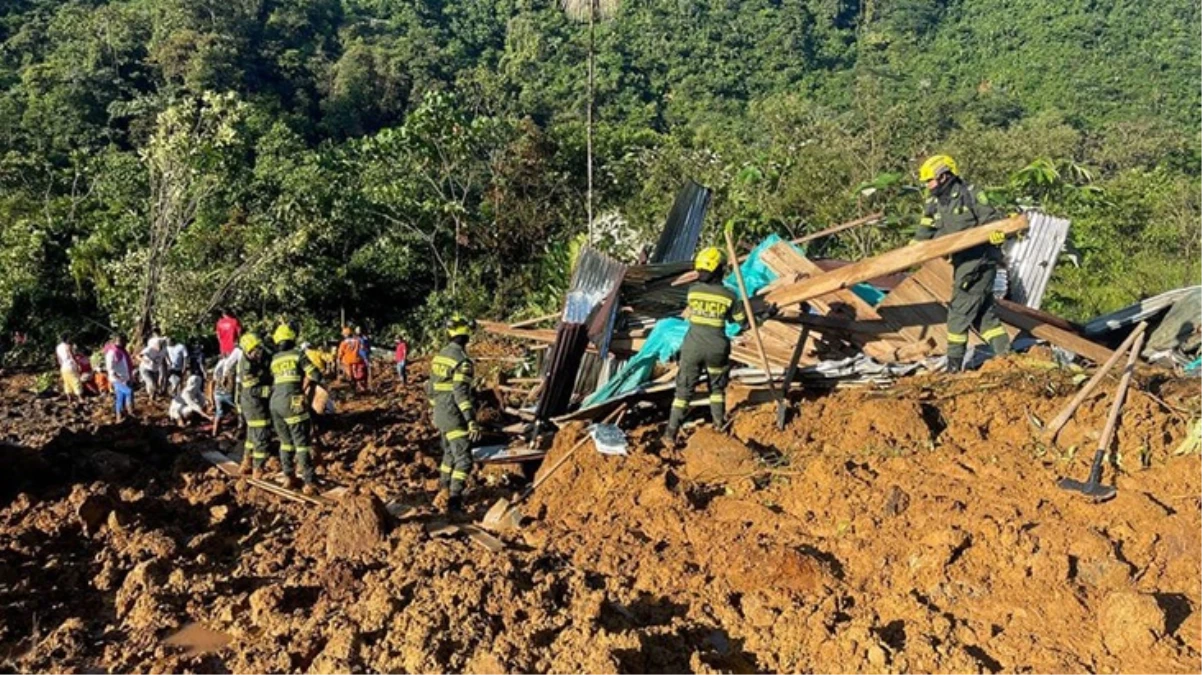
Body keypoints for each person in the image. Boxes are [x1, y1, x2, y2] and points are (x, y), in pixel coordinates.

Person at [915, 154, 1012, 372]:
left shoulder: (971, 193)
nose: (928, 186)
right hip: (960, 262)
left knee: (958, 314)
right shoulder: (934, 202)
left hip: (979, 262)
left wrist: (997, 233)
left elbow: (992, 221)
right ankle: (1007, 359)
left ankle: (953, 368)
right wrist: (910, 254)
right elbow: (924, 231)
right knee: (985, 318)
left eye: (930, 181)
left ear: (944, 176)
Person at [663, 247, 747, 446]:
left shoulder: (693, 292)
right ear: (720, 269)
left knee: (683, 393)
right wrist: (764, 315)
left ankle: (670, 433)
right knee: (717, 388)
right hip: (717, 349)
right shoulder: (730, 296)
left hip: (692, 348)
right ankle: (719, 424)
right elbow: (741, 321)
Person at [426, 314, 480, 514]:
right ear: (467, 336)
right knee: (464, 459)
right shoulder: (463, 361)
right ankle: (454, 501)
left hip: (439, 412)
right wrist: (471, 420)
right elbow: (461, 394)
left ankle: (442, 490)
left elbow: (430, 387)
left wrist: (436, 407)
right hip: (453, 414)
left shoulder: (440, 355)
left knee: (448, 454)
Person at [269, 323, 323, 494]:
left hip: (275, 403)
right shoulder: (298, 355)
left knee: (285, 444)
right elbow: (315, 374)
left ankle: (288, 477)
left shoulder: (275, 359)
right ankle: (309, 482)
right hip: (294, 401)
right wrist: (303, 386)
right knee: (302, 444)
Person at [237, 333, 273, 477]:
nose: (259, 352)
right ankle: (258, 468)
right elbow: (253, 390)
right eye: (255, 350)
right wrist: (272, 391)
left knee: (251, 437)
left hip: (252, 403)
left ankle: (246, 462)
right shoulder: (246, 367)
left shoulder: (256, 359)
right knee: (261, 436)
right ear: (248, 351)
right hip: (254, 405)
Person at [104, 335, 135, 422]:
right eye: (124, 342)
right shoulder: (112, 352)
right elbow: (110, 368)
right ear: (119, 341)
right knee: (129, 392)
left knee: (120, 398)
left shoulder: (121, 351)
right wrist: (119, 378)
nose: (126, 344)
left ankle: (119, 416)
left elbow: (125, 365)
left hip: (124, 378)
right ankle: (130, 412)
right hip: (117, 379)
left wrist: (130, 376)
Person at [211, 348, 239, 437]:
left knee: (219, 413)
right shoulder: (232, 364)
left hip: (217, 393)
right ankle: (240, 431)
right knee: (240, 410)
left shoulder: (218, 365)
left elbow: (213, 380)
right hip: (228, 393)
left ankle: (214, 433)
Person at [55, 334, 83, 404]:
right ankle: (80, 398)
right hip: (70, 365)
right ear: (67, 338)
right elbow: (72, 356)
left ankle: (69, 398)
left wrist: (61, 365)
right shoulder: (68, 346)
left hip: (63, 367)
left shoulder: (58, 347)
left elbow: (59, 359)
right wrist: (78, 364)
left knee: (67, 382)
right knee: (76, 381)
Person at [337, 326, 367, 391]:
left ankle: (353, 387)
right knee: (358, 374)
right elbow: (362, 348)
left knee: (350, 376)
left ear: (345, 335)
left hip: (347, 361)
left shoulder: (343, 343)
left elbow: (340, 352)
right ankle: (360, 386)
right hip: (357, 360)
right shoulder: (357, 341)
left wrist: (338, 359)